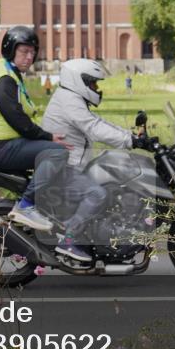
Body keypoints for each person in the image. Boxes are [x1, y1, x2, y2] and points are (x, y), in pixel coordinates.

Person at [42, 59, 152, 262]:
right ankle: (68, 240)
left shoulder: (70, 98)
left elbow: (97, 123)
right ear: (79, 80)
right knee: (98, 194)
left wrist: (131, 136)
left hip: (71, 164)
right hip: (64, 168)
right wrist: (130, 140)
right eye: (93, 83)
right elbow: (93, 128)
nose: (96, 88)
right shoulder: (69, 100)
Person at [0, 26, 71, 231]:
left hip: (9, 145)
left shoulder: (11, 73)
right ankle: (26, 207)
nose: (30, 57)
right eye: (24, 52)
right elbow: (17, 120)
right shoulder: (3, 79)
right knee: (56, 153)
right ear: (11, 50)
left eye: (32, 52)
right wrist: (48, 137)